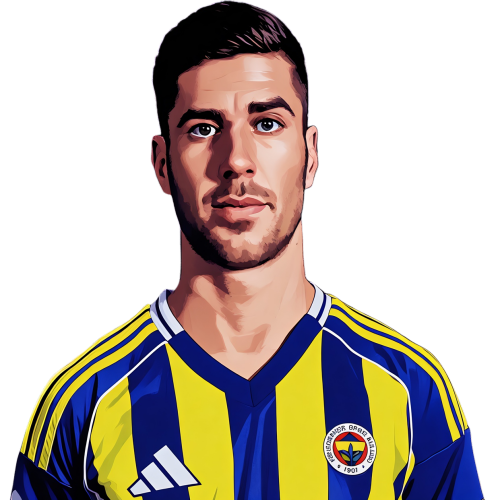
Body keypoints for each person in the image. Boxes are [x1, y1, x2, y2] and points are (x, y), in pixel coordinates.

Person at [11, 2, 483, 499]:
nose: (236, 160)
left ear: (311, 155)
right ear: (162, 164)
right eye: (203, 128)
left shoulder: (409, 389)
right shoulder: (82, 403)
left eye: (267, 123)